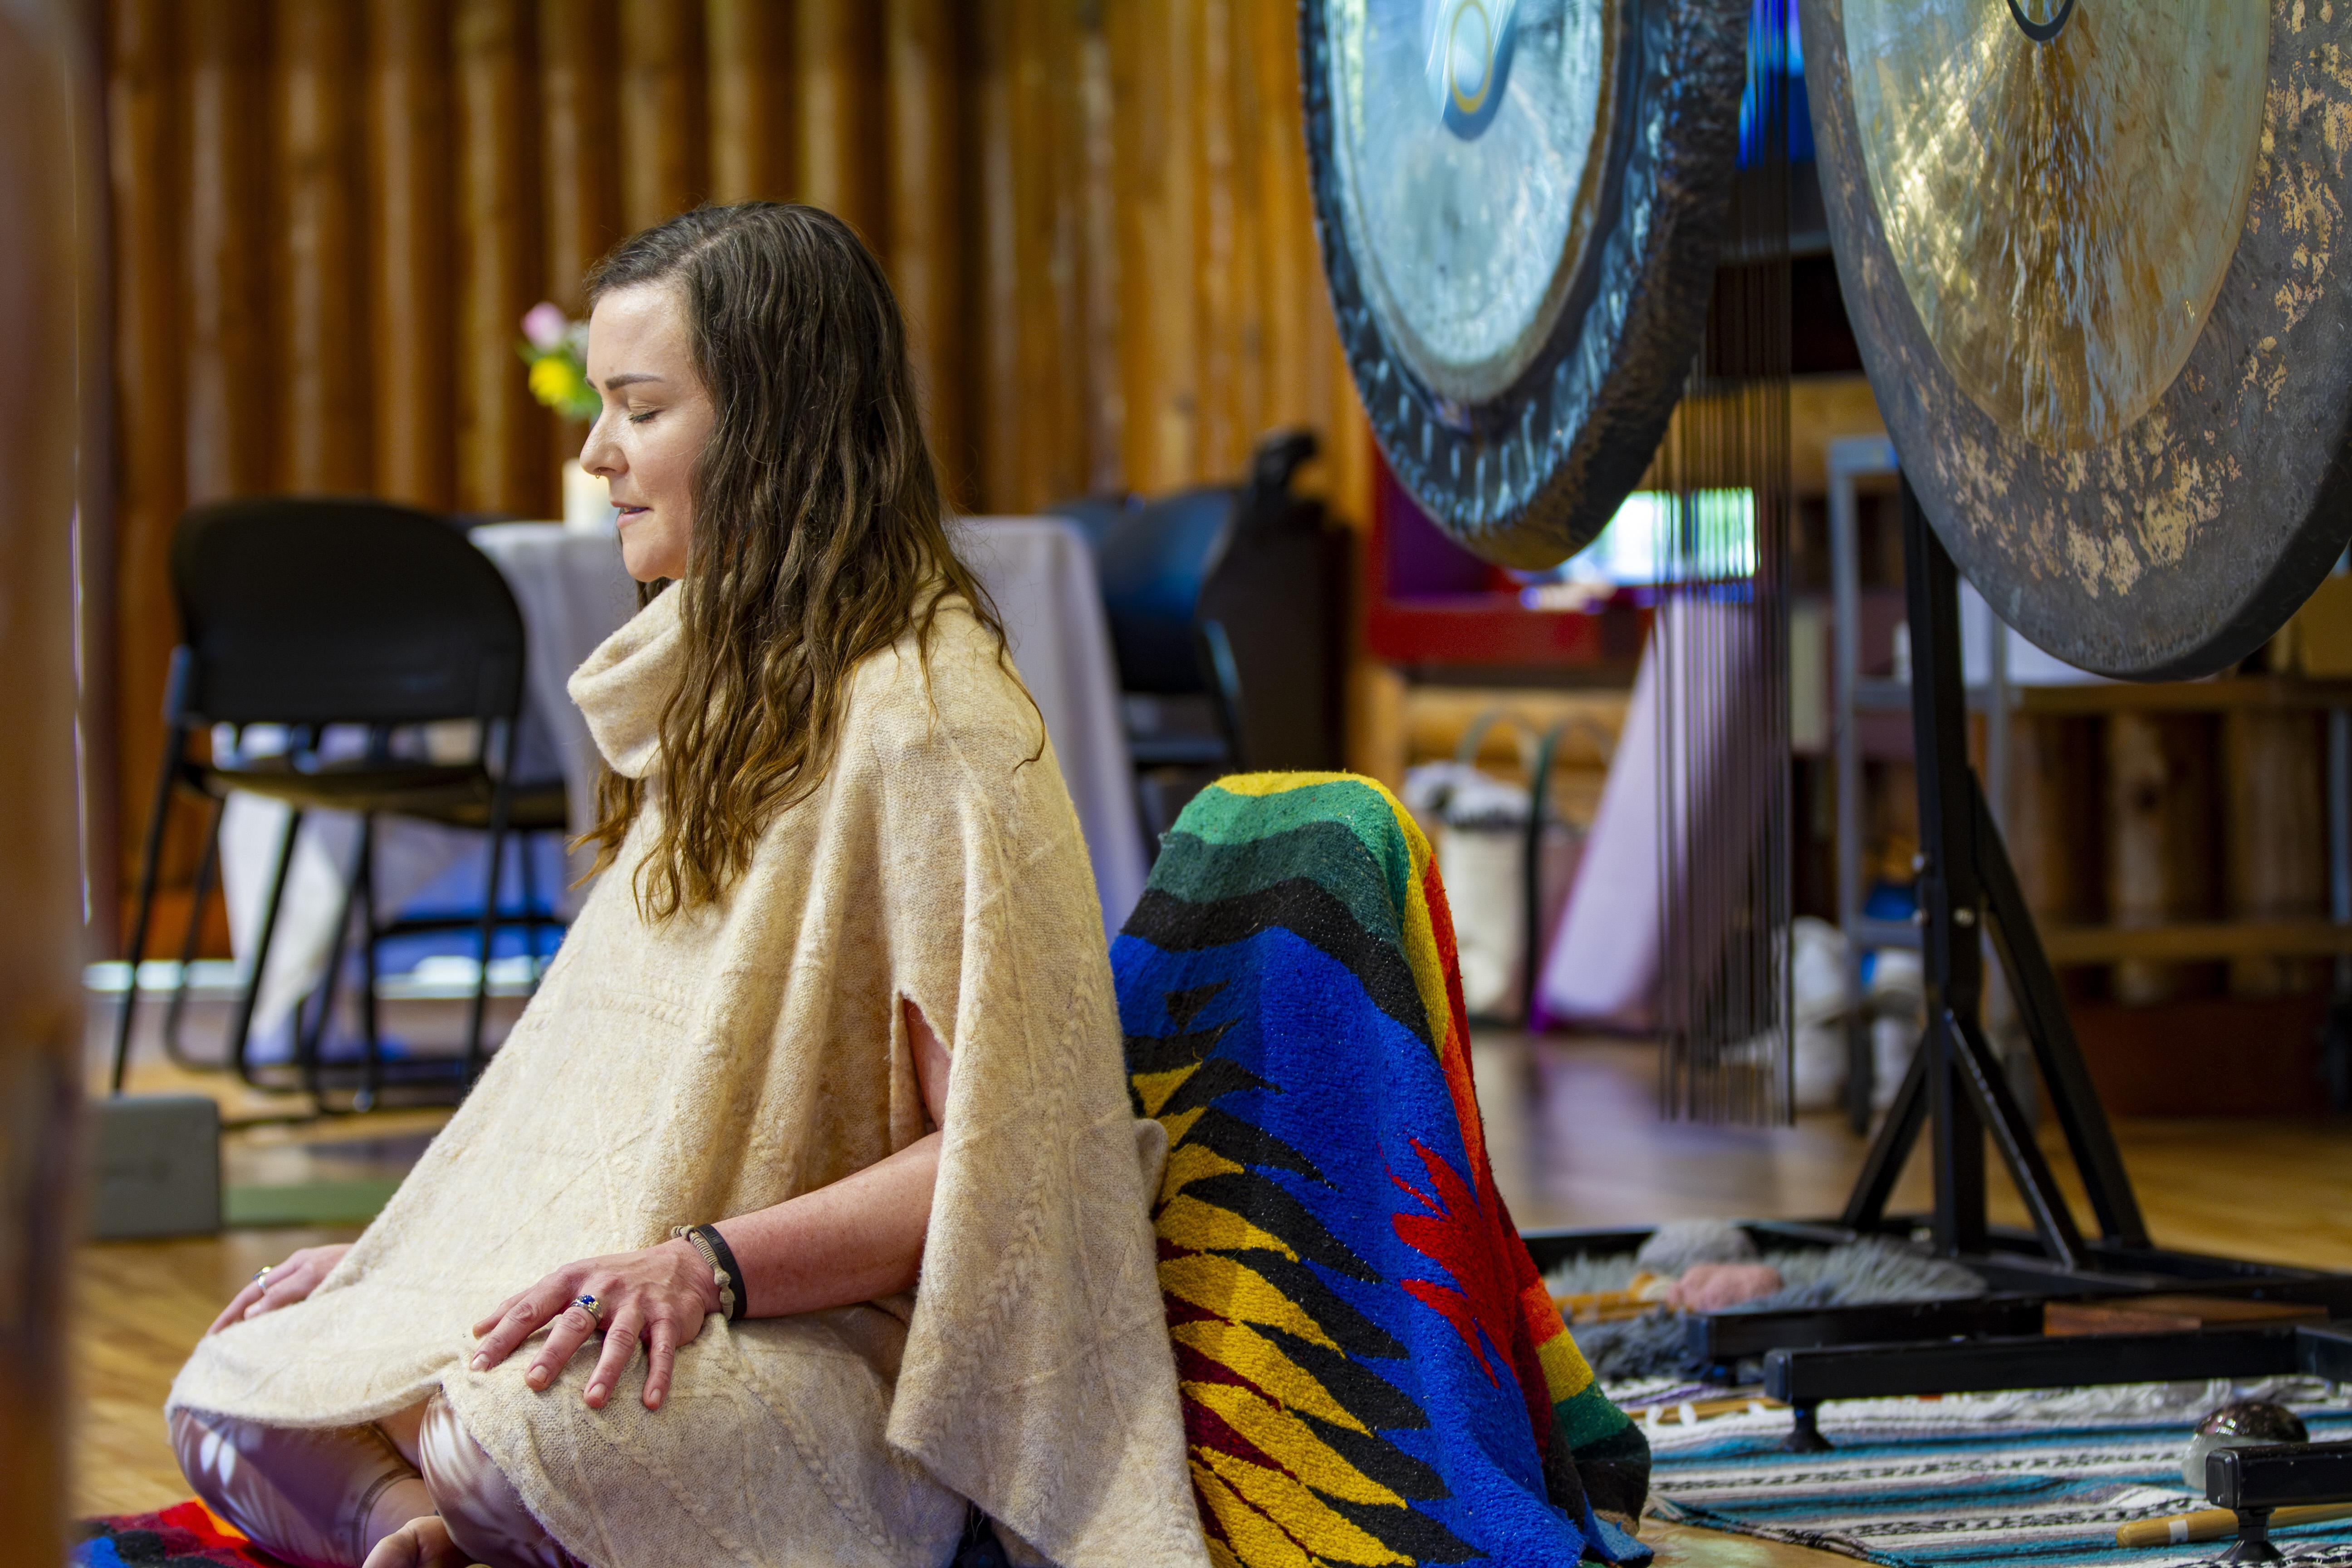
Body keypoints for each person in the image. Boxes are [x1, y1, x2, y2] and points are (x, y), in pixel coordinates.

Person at [167, 203, 1206, 1568]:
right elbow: (604, 1110)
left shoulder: (930, 722)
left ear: (777, 428)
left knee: (511, 1428)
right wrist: (403, 1265)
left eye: (641, 410)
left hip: (836, 1345)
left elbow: (1008, 1160)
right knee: (237, 1374)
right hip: (655, 1300)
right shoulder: (722, 689)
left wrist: (706, 1266)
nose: (595, 453)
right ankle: (411, 1528)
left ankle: (454, 1488)